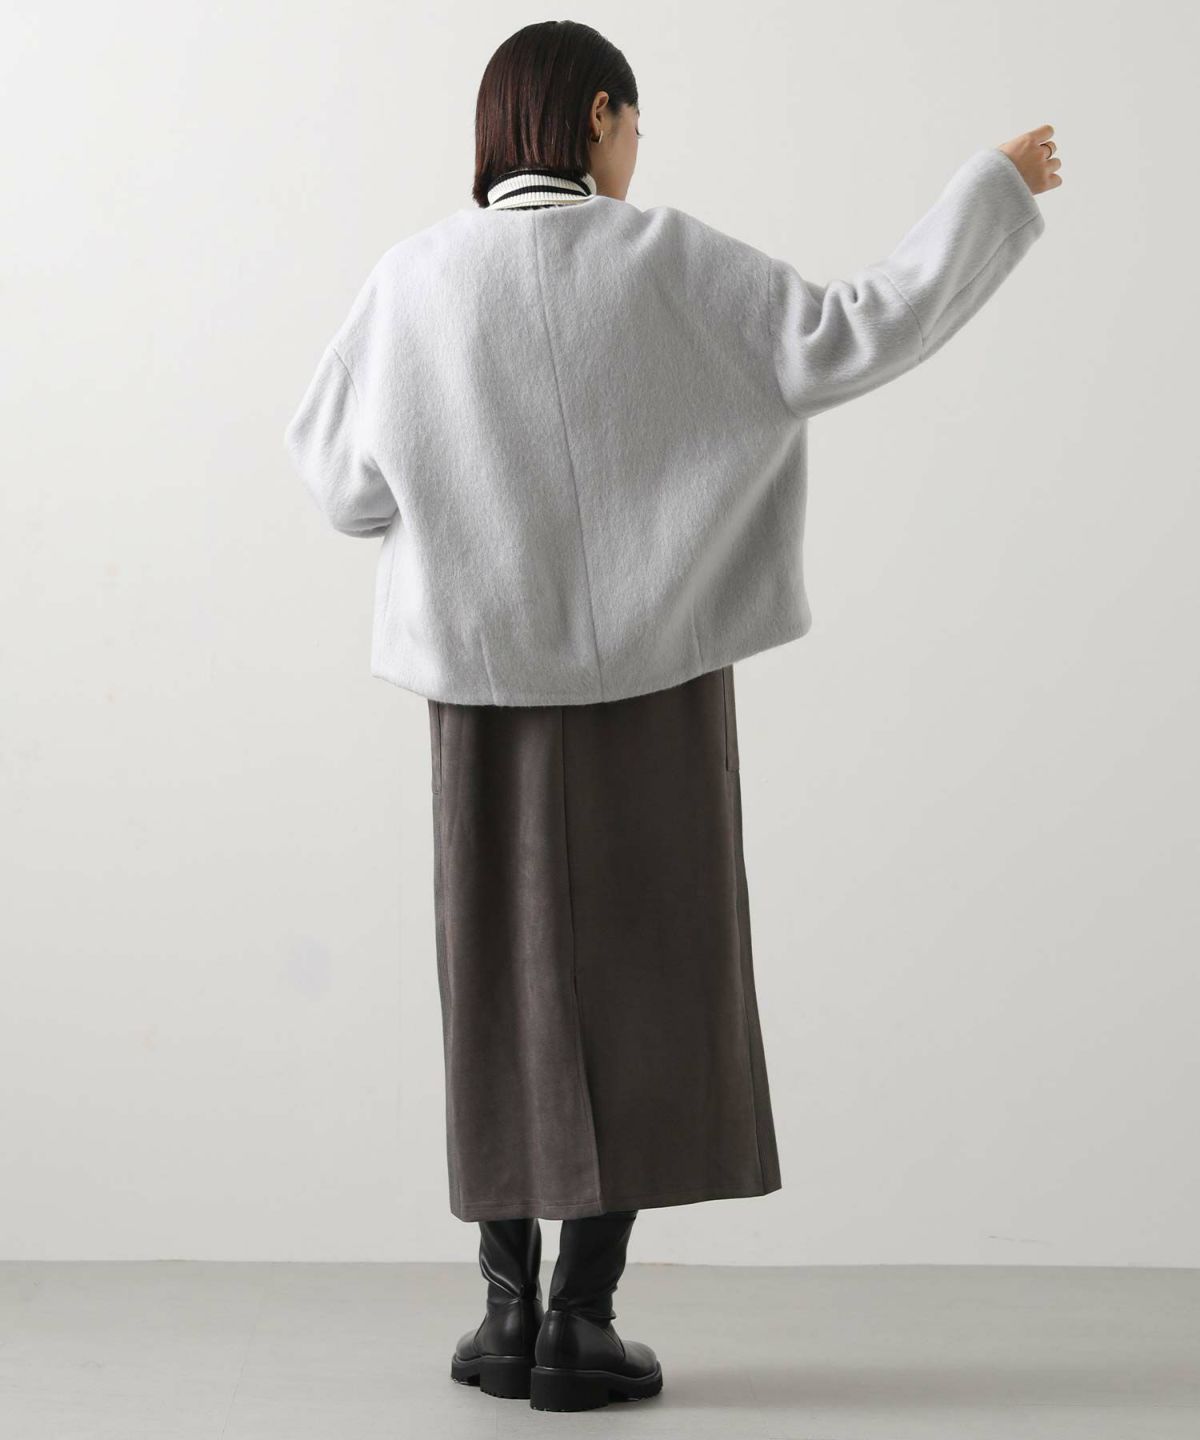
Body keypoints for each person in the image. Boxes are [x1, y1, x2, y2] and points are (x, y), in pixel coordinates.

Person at [283, 19, 1061, 1415]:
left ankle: (504, 1311)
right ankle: (582, 1321)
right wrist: (990, 189)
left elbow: (344, 488)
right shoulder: (666, 260)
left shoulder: (413, 280)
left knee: (499, 984)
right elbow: (850, 333)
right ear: (597, 116)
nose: (640, 152)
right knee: (644, 984)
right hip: (656, 676)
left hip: (483, 691)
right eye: (636, 126)